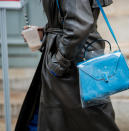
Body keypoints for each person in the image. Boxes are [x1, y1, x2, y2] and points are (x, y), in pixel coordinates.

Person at [15, 0, 120, 131]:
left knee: (92, 121)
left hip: (73, 64)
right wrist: (46, 32)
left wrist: (59, 61)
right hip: (75, 62)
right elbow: (72, 23)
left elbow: (79, 26)